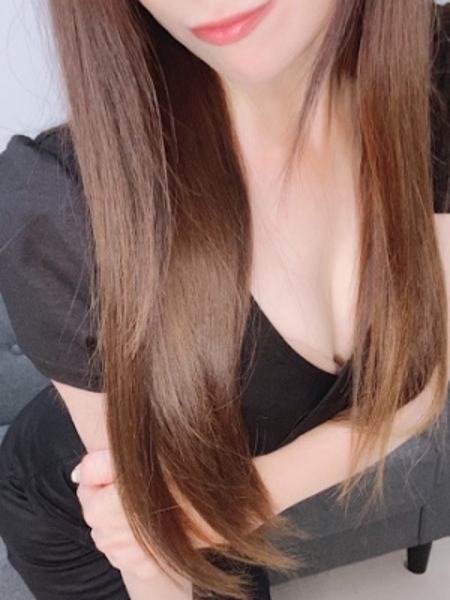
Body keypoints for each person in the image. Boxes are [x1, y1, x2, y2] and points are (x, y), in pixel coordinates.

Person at [0, 1, 449, 599]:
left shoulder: (431, 76)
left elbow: (423, 380)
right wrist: (194, 520)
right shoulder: (63, 205)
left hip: (214, 500)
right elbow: (153, 551)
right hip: (78, 513)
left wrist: (242, 502)